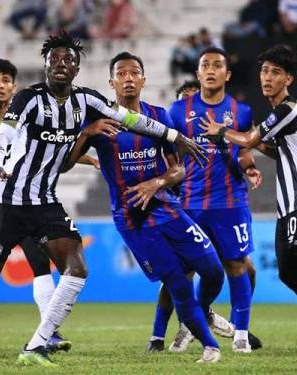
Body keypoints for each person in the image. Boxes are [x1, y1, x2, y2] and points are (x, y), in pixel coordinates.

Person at [0, 31, 207, 368]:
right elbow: (5, 133)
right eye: (54, 59)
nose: (61, 64)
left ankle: (36, 345)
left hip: (44, 201)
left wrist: (174, 135)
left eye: (68, 60)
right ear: (45, 65)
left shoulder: (86, 101)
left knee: (77, 268)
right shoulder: (27, 98)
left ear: (77, 68)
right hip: (7, 200)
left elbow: (131, 119)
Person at [62, 51, 226, 363]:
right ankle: (209, 345)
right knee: (177, 284)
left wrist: (157, 183)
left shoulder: (160, 116)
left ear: (143, 79)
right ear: (111, 83)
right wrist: (86, 133)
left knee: (214, 271)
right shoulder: (98, 123)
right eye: (121, 74)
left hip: (167, 206)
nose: (128, 78)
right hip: (132, 218)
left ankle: (198, 315)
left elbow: (178, 169)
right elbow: (64, 166)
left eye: (134, 72)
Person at [199, 44, 297, 352]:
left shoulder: (287, 109)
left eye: (275, 72)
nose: (267, 78)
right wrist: (249, 138)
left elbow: (247, 139)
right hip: (288, 205)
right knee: (286, 271)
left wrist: (222, 130)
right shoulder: (280, 114)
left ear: (289, 79)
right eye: (264, 71)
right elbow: (270, 148)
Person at [0, 58, 83, 353]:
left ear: (14, 87)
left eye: (6, 80)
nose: (0, 85)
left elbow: (55, 148)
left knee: (39, 264)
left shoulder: (29, 114)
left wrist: (89, 153)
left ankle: (50, 332)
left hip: (26, 202)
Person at [162, 47, 263, 354]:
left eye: (217, 65)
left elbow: (245, 149)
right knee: (186, 270)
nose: (210, 69)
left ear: (226, 74)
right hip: (190, 203)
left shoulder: (241, 111)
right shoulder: (178, 110)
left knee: (236, 265)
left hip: (230, 201)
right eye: (205, 64)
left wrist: (250, 168)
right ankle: (191, 325)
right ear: (198, 73)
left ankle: (241, 334)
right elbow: (169, 151)